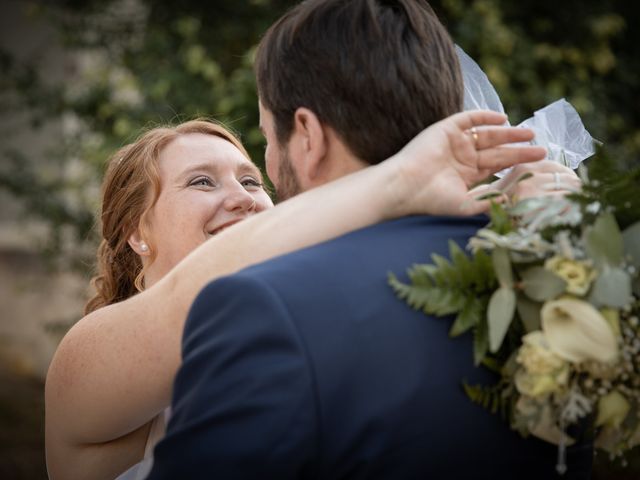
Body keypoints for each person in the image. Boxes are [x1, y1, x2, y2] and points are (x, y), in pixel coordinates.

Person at [146, 1, 593, 479]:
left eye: (267, 141)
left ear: (308, 136)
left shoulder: (265, 306)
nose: (269, 170)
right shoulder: (561, 277)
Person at [45, 112, 563, 479]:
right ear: (137, 232)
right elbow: (191, 297)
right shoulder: (86, 359)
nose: (243, 200)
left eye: (252, 181)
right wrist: (402, 178)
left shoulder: (301, 331)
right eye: (202, 182)